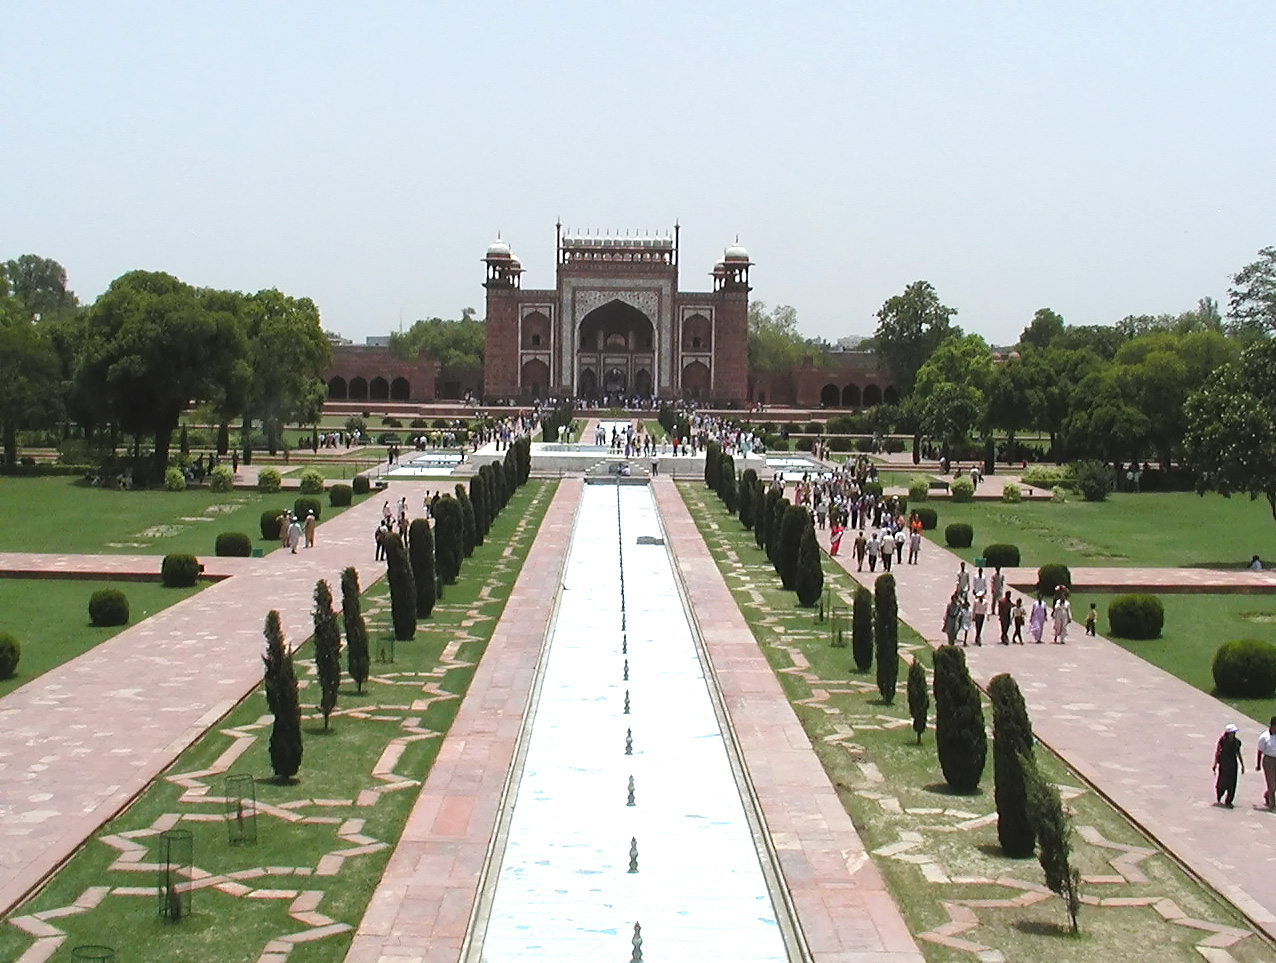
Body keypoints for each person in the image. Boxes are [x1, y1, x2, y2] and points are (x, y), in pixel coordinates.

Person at [1213, 724, 1244, 808]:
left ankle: (1229, 800)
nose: (1233, 734)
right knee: (1222, 782)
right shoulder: (1222, 741)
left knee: (1232, 783)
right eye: (1232, 733)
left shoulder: (1237, 742)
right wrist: (1215, 764)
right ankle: (1220, 794)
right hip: (1224, 764)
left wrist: (1242, 765)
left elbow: (1238, 753)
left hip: (1233, 764)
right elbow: (1218, 751)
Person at [1259, 717, 1276, 809]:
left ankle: (1267, 794)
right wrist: (1258, 764)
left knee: (1274, 784)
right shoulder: (1264, 737)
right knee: (1271, 783)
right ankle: (1272, 804)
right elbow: (1260, 750)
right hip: (1269, 761)